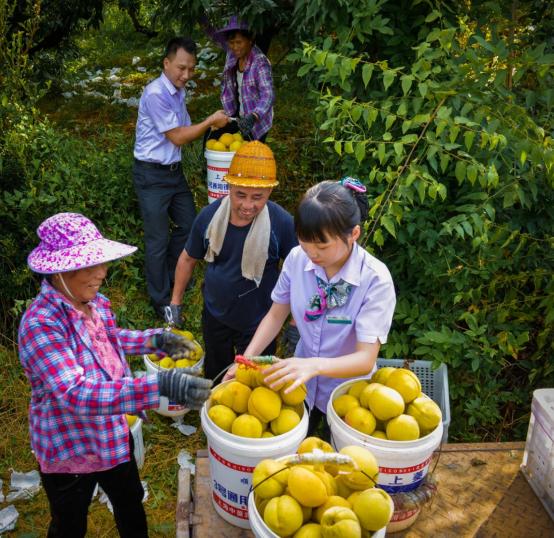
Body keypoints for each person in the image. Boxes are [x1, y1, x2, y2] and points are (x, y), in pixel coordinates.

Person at [18, 212, 213, 538]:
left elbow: (109, 340)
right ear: (59, 272)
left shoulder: (93, 302)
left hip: (111, 432)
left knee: (130, 501)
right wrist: (160, 384)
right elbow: (76, 392)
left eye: (102, 263)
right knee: (69, 524)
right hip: (71, 445)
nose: (101, 273)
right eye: (90, 266)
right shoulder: (41, 325)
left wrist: (155, 340)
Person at [231, 178, 396, 436]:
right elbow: (276, 315)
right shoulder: (298, 259)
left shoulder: (374, 280)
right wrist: (246, 359)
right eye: (305, 242)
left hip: (349, 394)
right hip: (302, 386)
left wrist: (314, 365)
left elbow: (365, 359)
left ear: (353, 234)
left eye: (321, 246)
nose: (312, 254)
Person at [167, 141, 297, 381]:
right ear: (230, 187)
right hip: (216, 313)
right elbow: (187, 259)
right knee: (217, 374)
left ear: (269, 192)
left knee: (252, 382)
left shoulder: (281, 224)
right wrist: (175, 303)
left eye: (257, 197)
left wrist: (294, 323)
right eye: (240, 195)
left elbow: (300, 274)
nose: (248, 205)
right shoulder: (210, 217)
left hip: (260, 321)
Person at [133, 36, 229, 318]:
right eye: (181, 68)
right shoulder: (155, 94)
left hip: (173, 175)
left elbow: (186, 128)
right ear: (166, 63)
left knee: (190, 225)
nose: (186, 75)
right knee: (157, 239)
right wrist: (210, 121)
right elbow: (177, 137)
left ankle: (172, 276)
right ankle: (161, 300)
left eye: (191, 69)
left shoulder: (178, 91)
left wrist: (212, 129)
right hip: (151, 175)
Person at [209, 17, 274, 142]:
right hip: (237, 115)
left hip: (256, 119)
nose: (235, 47)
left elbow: (268, 94)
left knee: (250, 156)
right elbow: (214, 37)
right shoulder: (232, 53)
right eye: (232, 43)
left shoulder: (260, 62)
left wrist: (254, 116)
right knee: (216, 137)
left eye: (239, 42)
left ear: (250, 40)